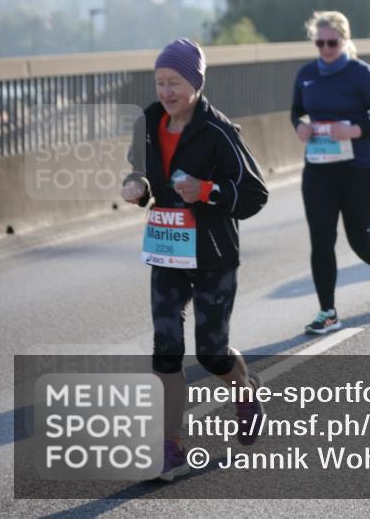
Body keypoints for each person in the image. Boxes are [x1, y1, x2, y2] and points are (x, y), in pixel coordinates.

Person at [121, 39, 269, 481]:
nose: (166, 92)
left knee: (211, 353)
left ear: (197, 83)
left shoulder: (219, 131)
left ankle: (242, 387)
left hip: (214, 255)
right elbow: (140, 168)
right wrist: (138, 187)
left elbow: (256, 194)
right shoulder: (148, 120)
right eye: (160, 82)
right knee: (165, 352)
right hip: (167, 250)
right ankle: (172, 446)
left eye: (176, 83)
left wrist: (206, 191)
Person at [291, 11, 370, 335]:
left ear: (345, 40)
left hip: (360, 168)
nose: (325, 48)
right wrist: (300, 126)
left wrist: (353, 130)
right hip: (319, 168)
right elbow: (297, 111)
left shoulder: (360, 73)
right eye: (320, 42)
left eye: (332, 42)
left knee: (359, 239)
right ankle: (328, 311)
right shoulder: (307, 74)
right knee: (321, 238)